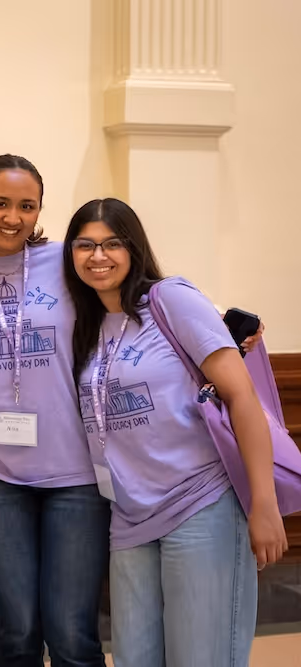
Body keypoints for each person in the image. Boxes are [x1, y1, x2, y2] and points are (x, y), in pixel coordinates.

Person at [63, 197, 288, 667]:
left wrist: (263, 504)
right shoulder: (86, 324)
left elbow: (242, 397)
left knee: (201, 658)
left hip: (200, 504)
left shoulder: (170, 299)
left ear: (134, 249)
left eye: (111, 244)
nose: (97, 256)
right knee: (134, 659)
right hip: (129, 516)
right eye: (85, 245)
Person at [0, 155, 110, 666]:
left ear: (39, 211)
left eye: (26, 206)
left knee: (71, 633)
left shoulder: (69, 263)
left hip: (75, 476)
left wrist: (223, 326)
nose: (12, 217)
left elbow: (144, 298)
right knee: (16, 629)